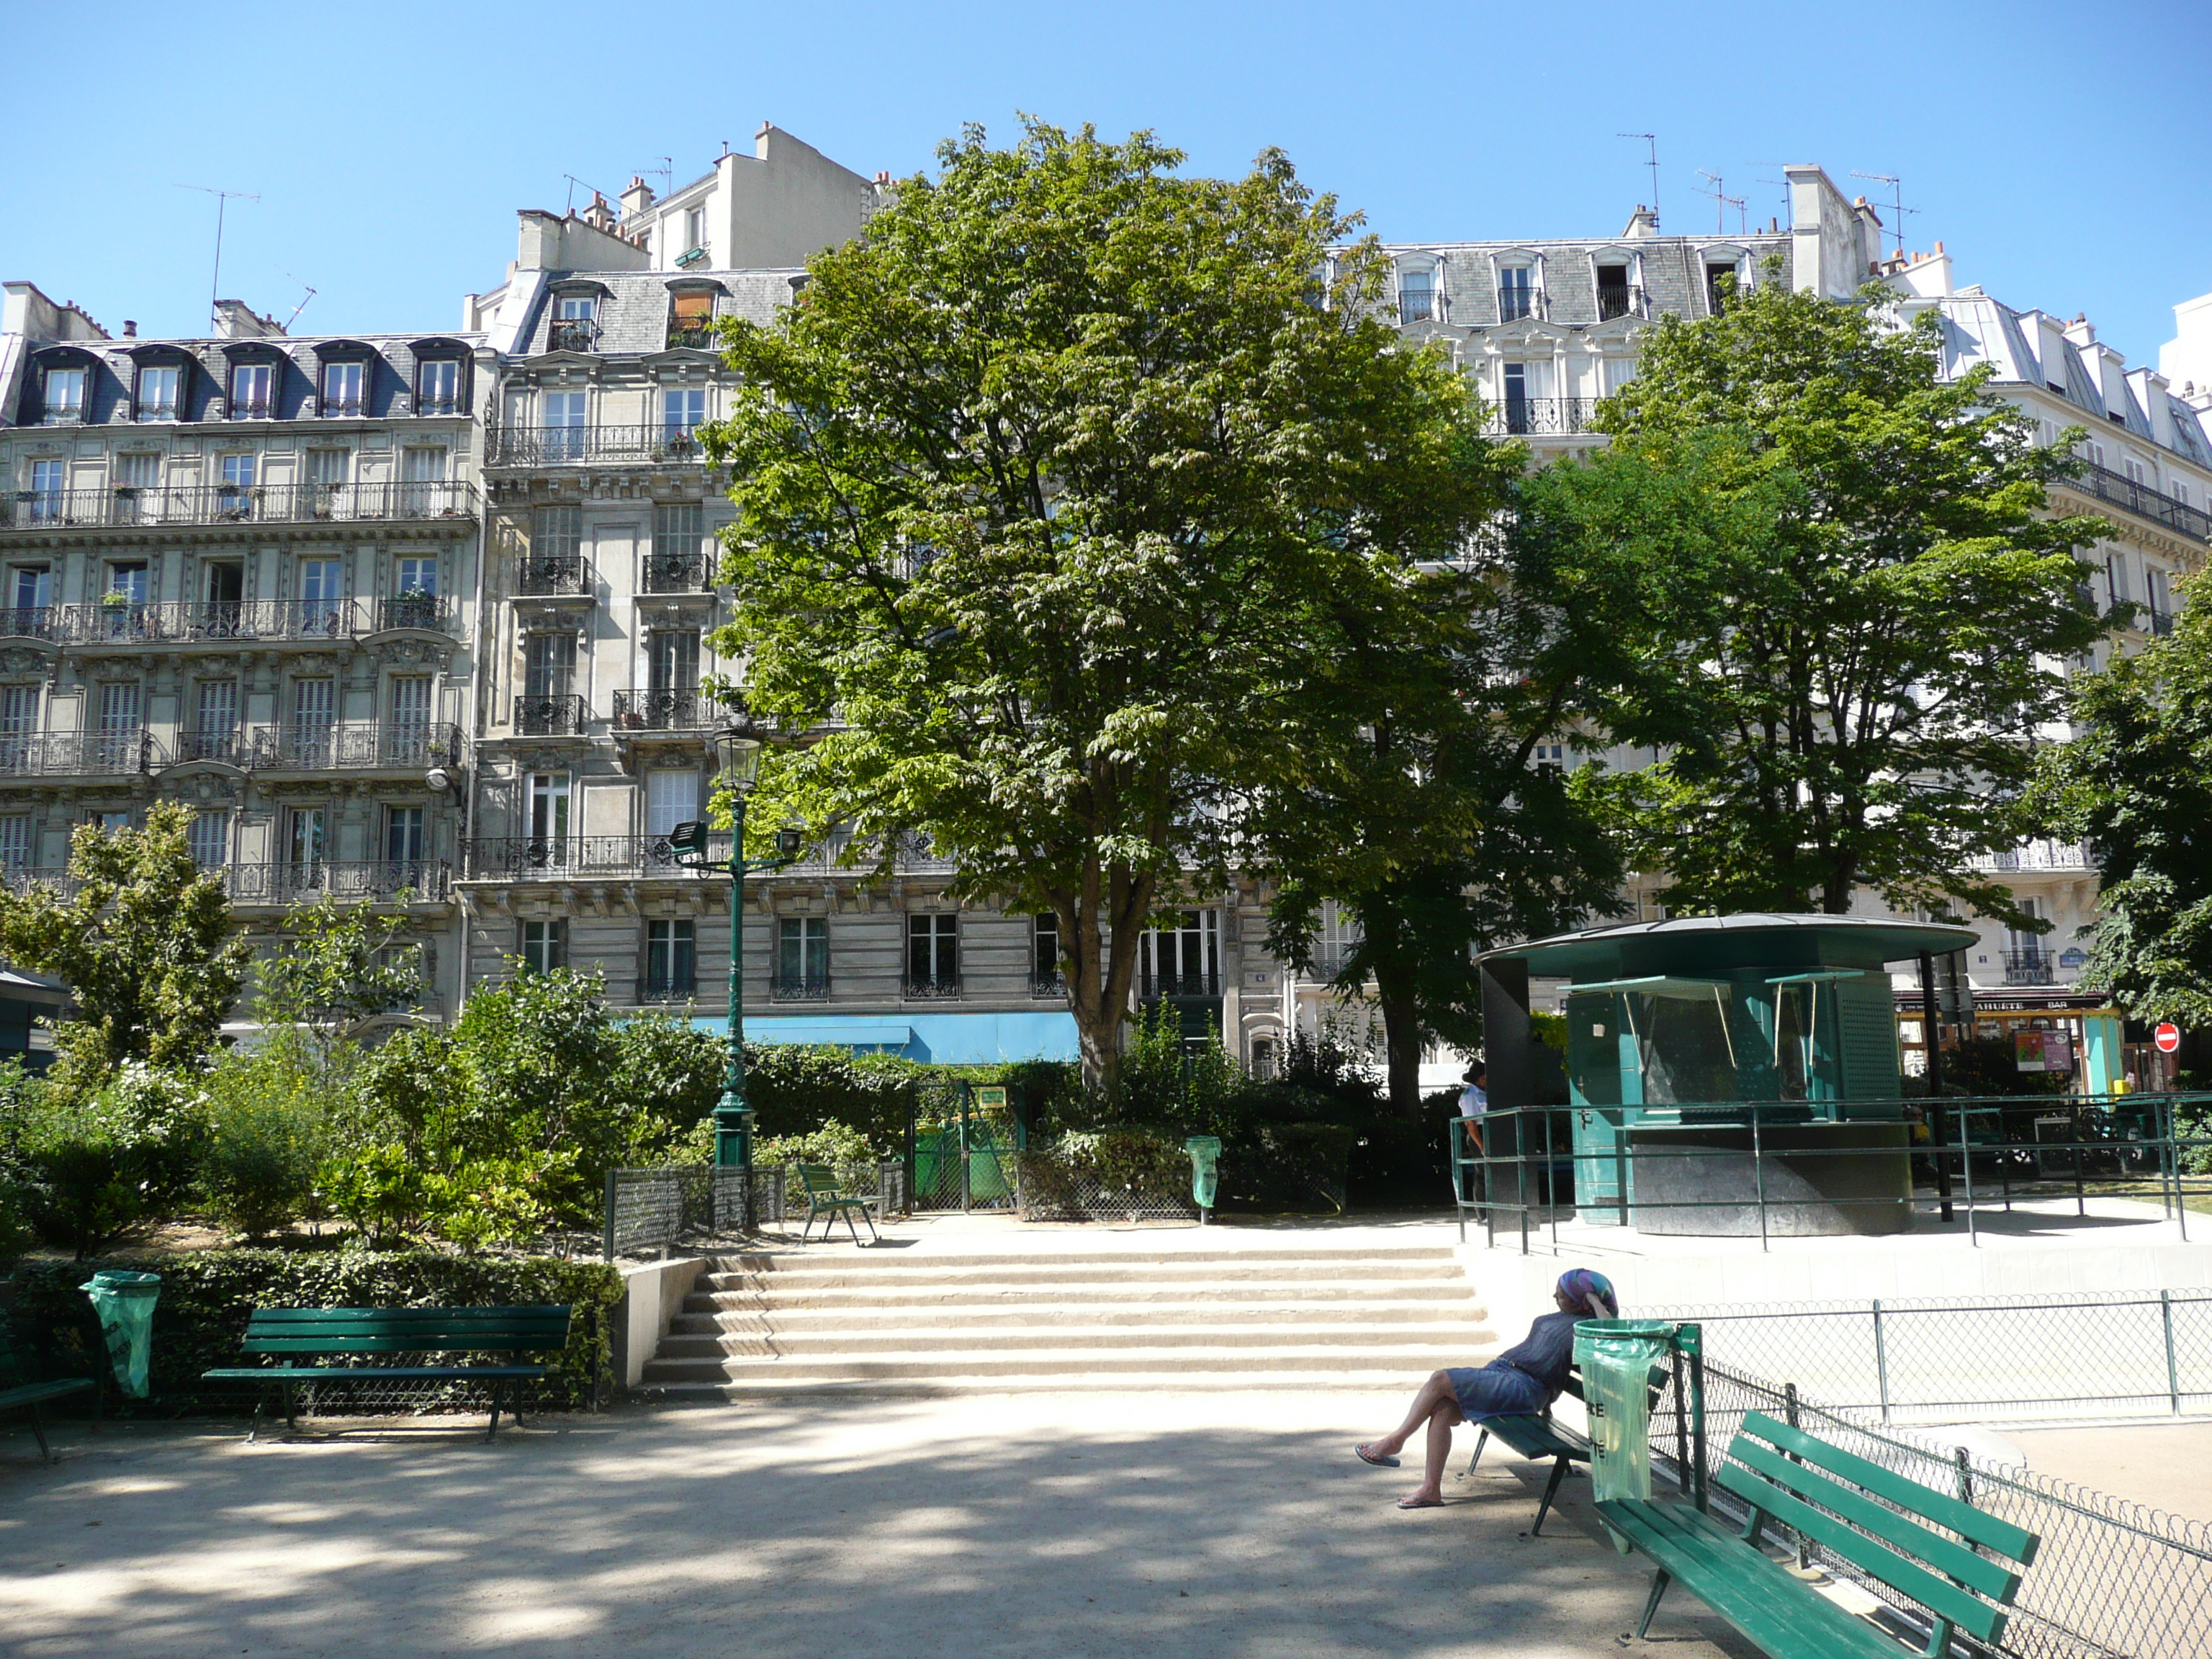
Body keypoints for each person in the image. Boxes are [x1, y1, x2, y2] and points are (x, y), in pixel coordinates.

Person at [1354, 1267, 1619, 1509]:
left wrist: (1595, 1301)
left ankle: (1395, 1441)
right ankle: (1431, 1490)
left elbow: (1611, 1332)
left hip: (1524, 1387)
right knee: (1443, 1408)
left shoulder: (1589, 1327)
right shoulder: (1563, 1315)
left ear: (1580, 1301)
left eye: (1560, 1295)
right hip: (1503, 1372)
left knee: (1440, 1380)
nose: (1554, 1297)